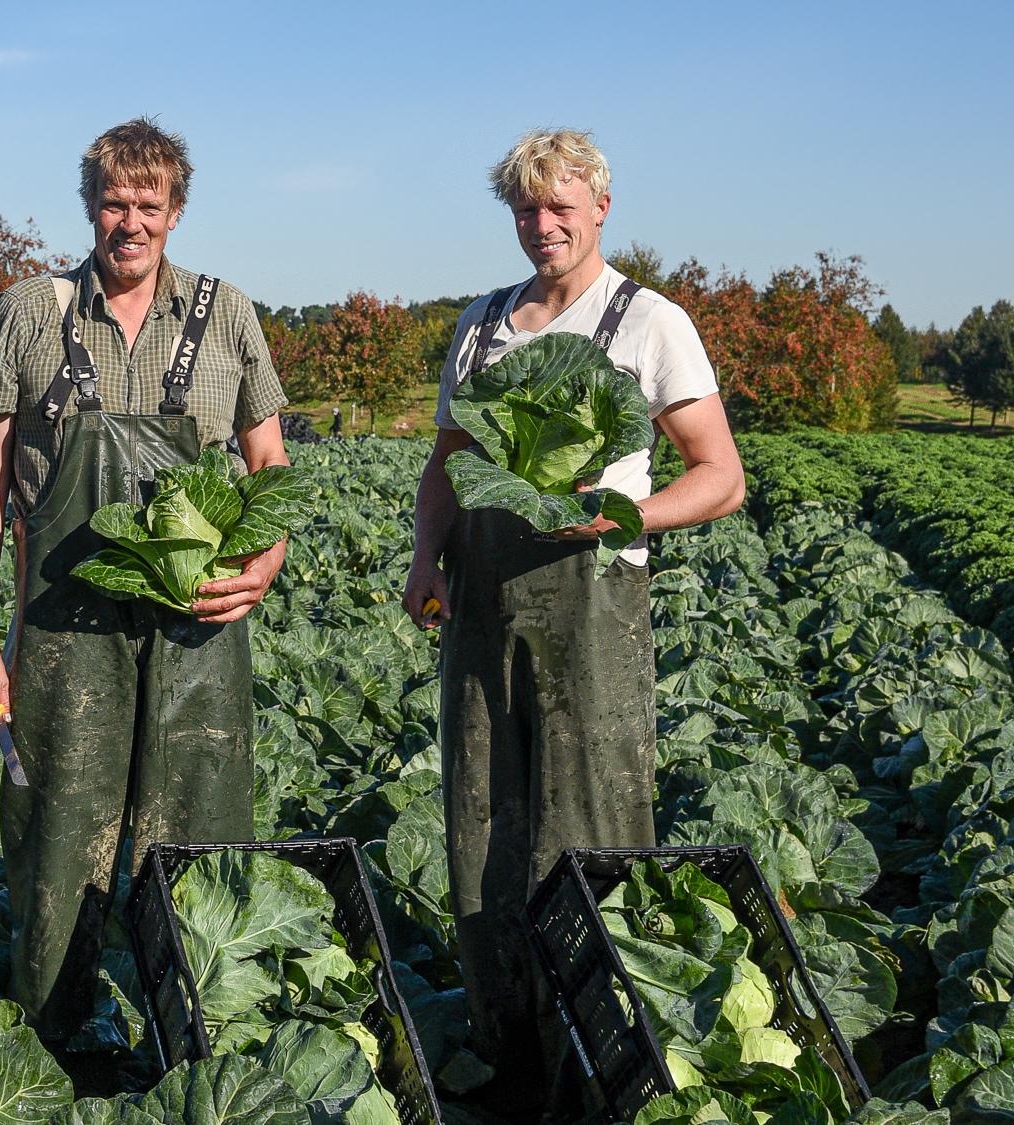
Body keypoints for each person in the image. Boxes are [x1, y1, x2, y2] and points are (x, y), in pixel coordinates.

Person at [401, 128, 745, 1119]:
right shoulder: (479, 323)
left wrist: (625, 515)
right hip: (481, 597)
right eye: (524, 209)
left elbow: (717, 477)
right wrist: (427, 555)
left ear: (599, 207)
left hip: (592, 598)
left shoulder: (649, 323)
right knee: (480, 820)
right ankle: (505, 1048)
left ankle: (593, 1059)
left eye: (558, 207)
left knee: (587, 822)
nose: (540, 226)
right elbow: (445, 464)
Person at [0, 117, 292, 1048]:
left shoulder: (228, 316)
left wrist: (261, 561)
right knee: (57, 834)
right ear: (90, 208)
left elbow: (270, 467)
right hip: (65, 625)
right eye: (114, 203)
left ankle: (191, 1044)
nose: (130, 222)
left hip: (197, 626)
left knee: (196, 829)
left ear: (176, 214)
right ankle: (53, 1049)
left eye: (150, 205)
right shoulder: (29, 313)